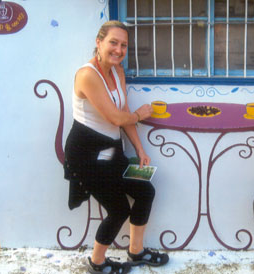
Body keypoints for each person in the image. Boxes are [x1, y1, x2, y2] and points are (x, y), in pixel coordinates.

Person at [63, 20, 169, 273]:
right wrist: (141, 114)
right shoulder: (87, 75)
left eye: (124, 45)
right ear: (99, 42)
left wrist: (140, 150)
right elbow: (117, 118)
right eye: (113, 42)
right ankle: (97, 263)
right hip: (86, 154)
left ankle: (136, 252)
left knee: (145, 192)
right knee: (119, 209)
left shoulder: (117, 71)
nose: (119, 50)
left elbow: (123, 113)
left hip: (110, 151)